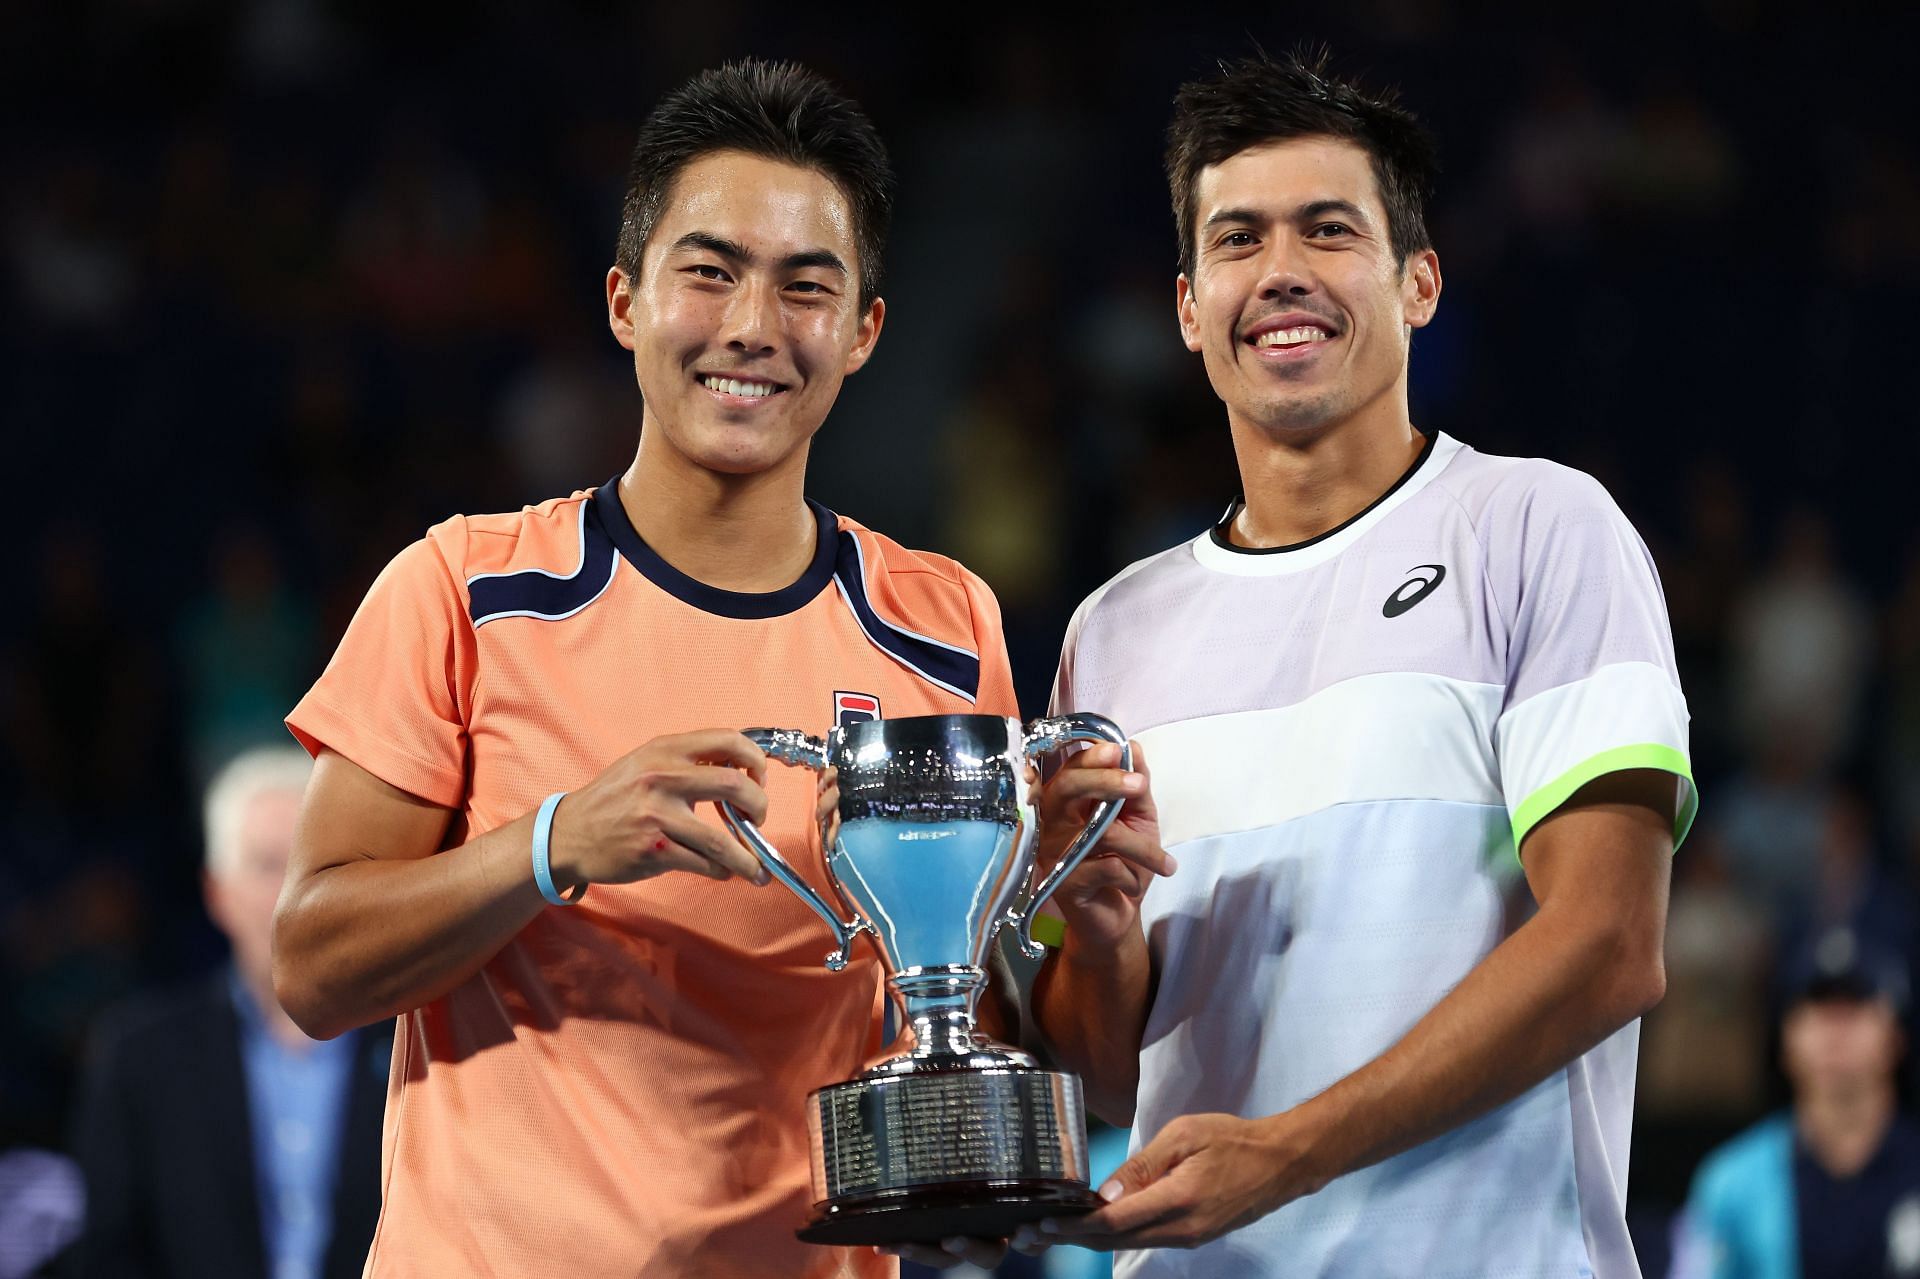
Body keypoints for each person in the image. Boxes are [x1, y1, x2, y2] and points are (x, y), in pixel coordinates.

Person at [271, 61, 1021, 1279]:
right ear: (625, 301)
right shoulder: (465, 588)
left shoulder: (942, 626)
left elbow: (973, 1003)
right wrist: (555, 840)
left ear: (866, 332)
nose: (751, 328)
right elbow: (311, 966)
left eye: (805, 287)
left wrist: (1076, 914)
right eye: (709, 270)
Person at [1018, 47, 1697, 1277]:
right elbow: (1115, 1071)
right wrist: (1105, 940)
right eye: (1237, 240)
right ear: (1187, 307)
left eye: (1328, 230)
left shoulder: (1539, 528)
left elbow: (1610, 942)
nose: (1281, 272)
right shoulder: (1111, 628)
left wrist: (1289, 1153)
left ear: (1418, 282)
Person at [70, 746, 390, 1279]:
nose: (293, 893)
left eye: (316, 866)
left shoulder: (421, 1044)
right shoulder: (140, 1056)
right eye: (267, 865)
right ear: (217, 893)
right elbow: (106, 1256)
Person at [1673, 928, 1920, 1279]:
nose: (1836, 1029)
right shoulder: (1733, 1183)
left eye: (1855, 1006)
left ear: (1896, 1037)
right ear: (1785, 1039)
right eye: (1817, 1007)